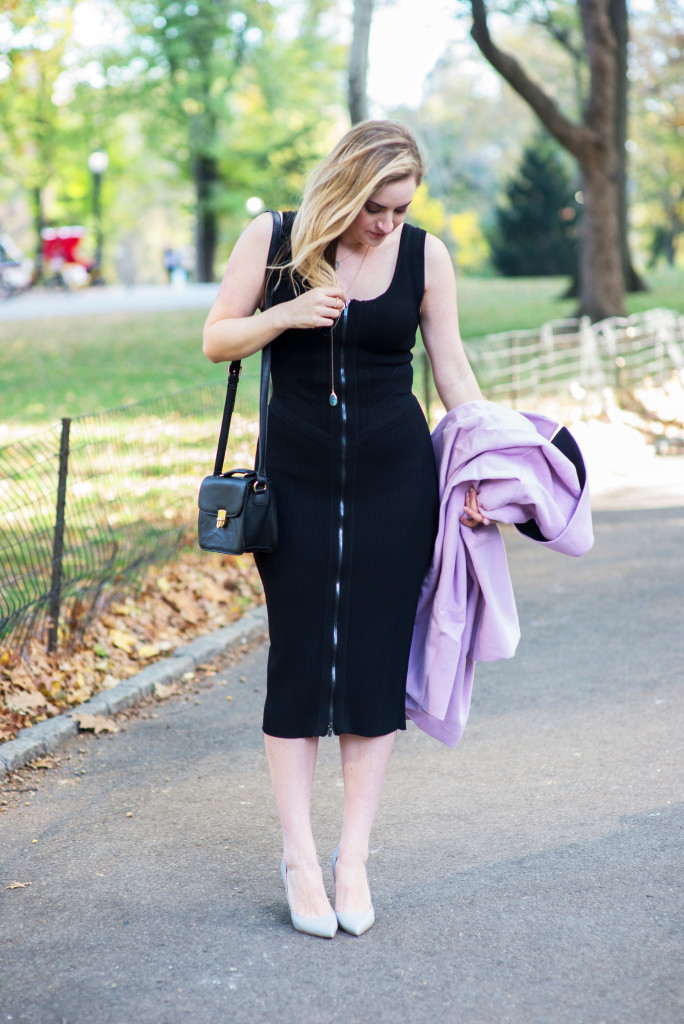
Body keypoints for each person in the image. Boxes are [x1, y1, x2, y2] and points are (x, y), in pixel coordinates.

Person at [203, 120, 485, 938]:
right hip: (293, 474)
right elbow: (217, 337)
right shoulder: (276, 239)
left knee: (371, 666)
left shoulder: (427, 256)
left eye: (401, 209)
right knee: (298, 658)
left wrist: (477, 470)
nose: (388, 224)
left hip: (397, 481)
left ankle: (352, 857)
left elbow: (452, 368)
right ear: (344, 188)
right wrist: (284, 318)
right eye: (376, 208)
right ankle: (298, 856)